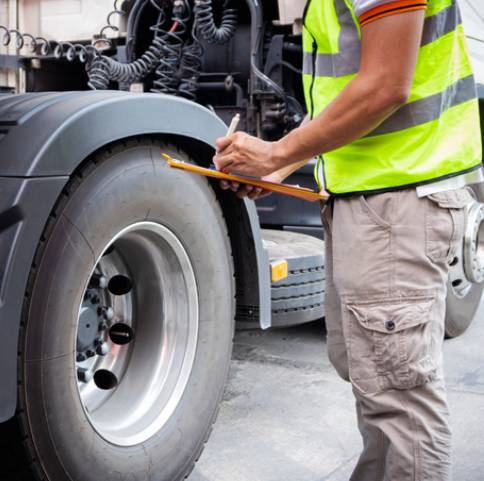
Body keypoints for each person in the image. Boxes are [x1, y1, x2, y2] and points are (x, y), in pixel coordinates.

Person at [212, 0, 482, 479]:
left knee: (400, 400)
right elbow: (358, 91)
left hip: (396, 202)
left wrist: (277, 150)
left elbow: (384, 83)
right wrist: (281, 164)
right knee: (379, 384)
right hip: (375, 200)